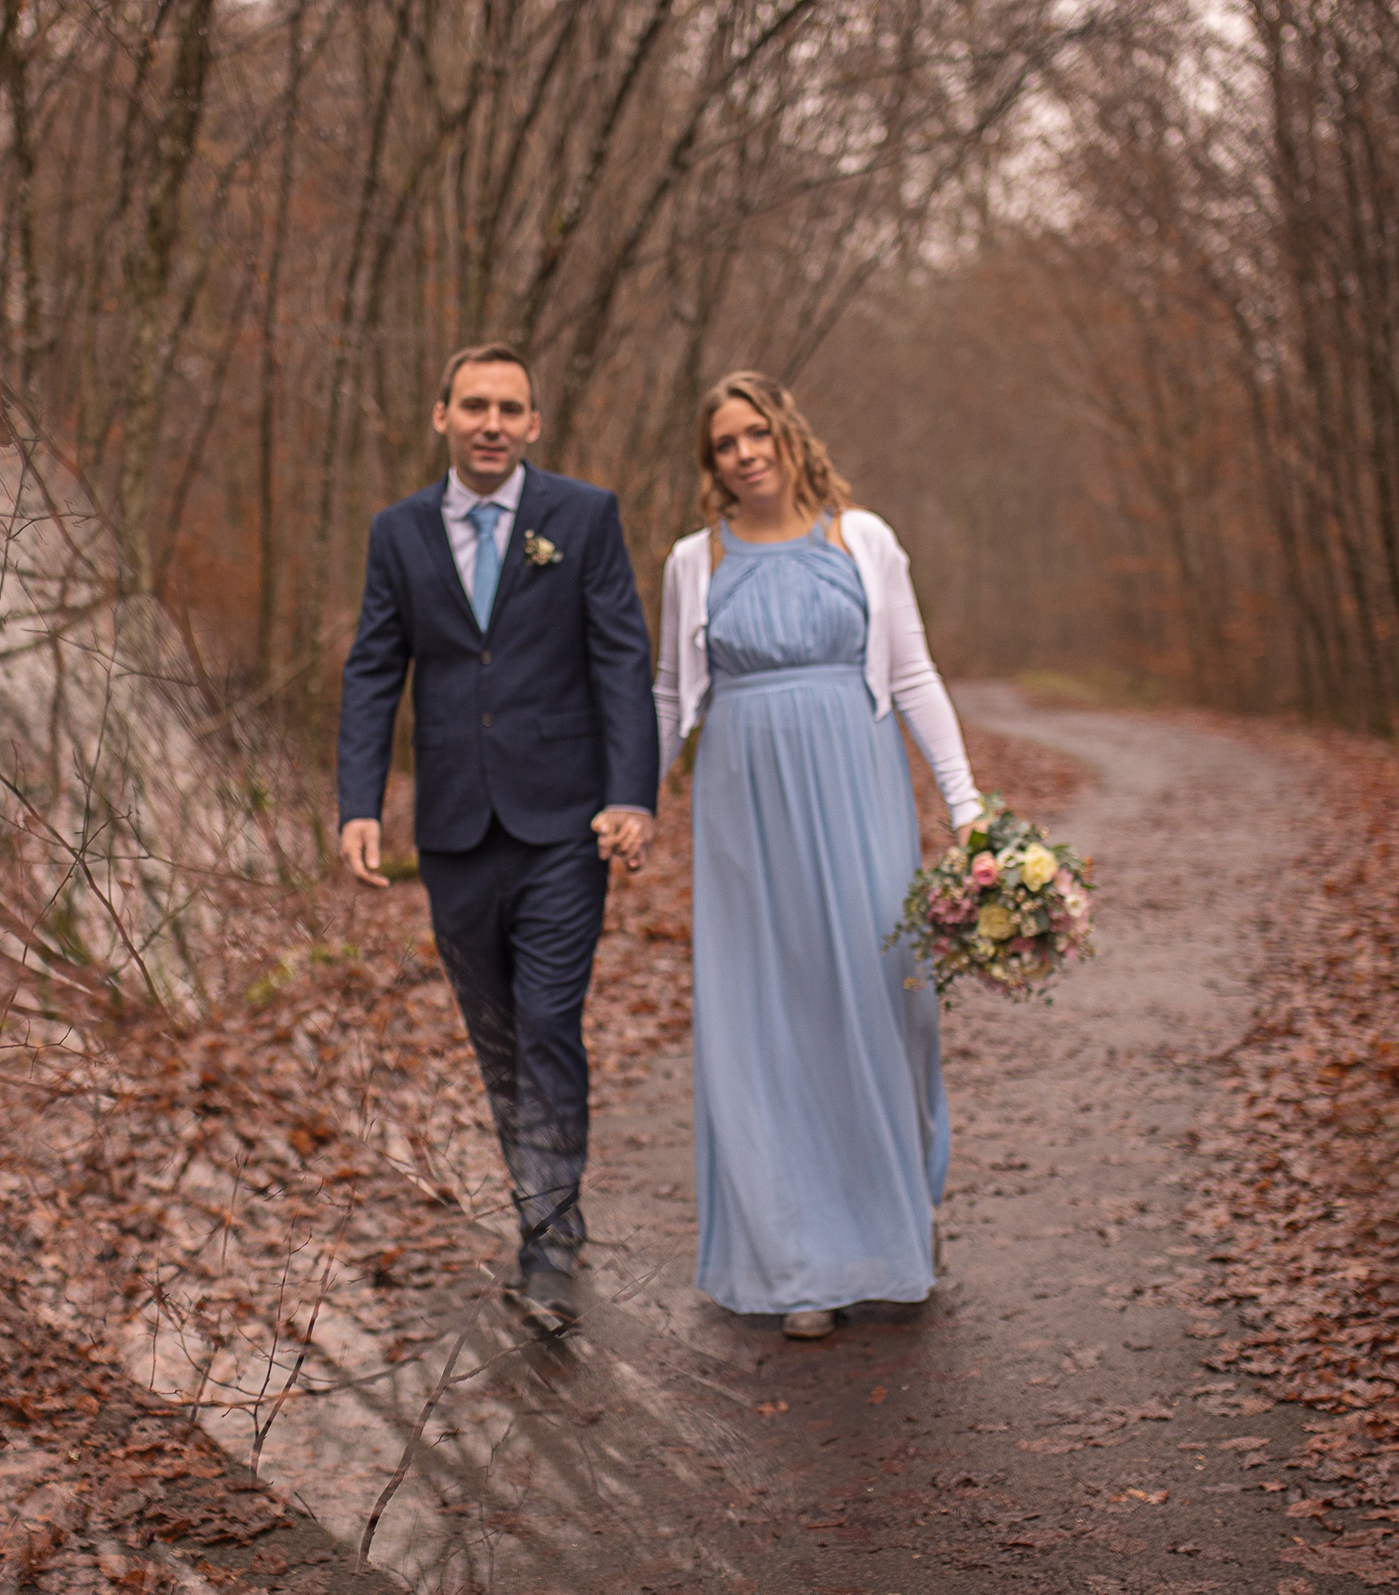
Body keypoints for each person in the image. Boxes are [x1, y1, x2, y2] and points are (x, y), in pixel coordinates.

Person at [336, 342, 660, 1337]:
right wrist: (357, 801)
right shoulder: (397, 532)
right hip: (452, 830)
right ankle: (547, 1201)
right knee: (497, 1040)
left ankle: (548, 1241)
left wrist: (630, 794)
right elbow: (372, 667)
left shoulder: (583, 517)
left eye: (508, 407)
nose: (490, 421)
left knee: (548, 1019)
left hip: (563, 819)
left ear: (531, 424)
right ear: (440, 415)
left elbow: (619, 658)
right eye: (472, 403)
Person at [652, 371, 984, 1341]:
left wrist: (966, 809)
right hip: (743, 802)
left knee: (889, 1001)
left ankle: (895, 1216)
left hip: (858, 783)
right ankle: (800, 1257)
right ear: (709, 463)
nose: (745, 452)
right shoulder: (691, 560)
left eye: (757, 432)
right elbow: (671, 697)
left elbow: (913, 672)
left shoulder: (862, 538)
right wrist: (633, 800)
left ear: (788, 435)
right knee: (772, 1013)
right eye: (724, 443)